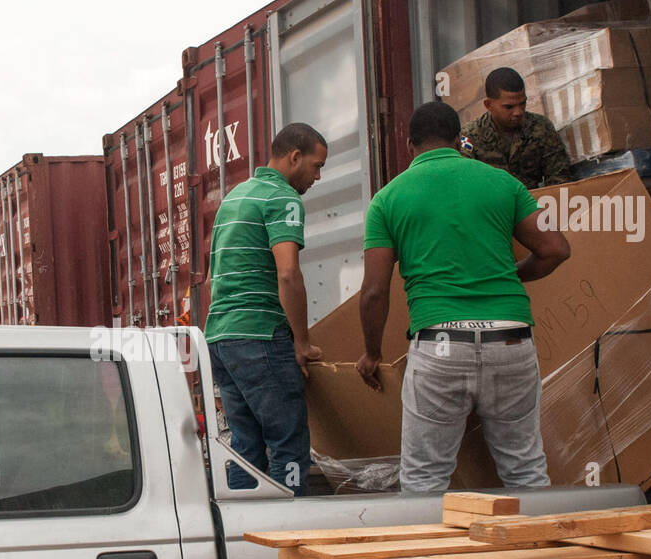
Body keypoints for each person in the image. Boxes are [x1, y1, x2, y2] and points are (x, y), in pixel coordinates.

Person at [355, 100, 571, 493]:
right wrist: (511, 277)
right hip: (510, 338)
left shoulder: (387, 199)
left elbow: (373, 292)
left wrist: (371, 353)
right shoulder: (503, 183)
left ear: (408, 145)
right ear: (459, 140)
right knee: (525, 472)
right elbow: (556, 248)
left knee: (424, 480)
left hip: (439, 345)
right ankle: (540, 554)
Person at [204, 122, 327, 496]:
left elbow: (213, 277)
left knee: (246, 446)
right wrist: (301, 343)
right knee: (288, 439)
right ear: (294, 157)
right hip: (259, 335)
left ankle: (245, 533)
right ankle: (288, 527)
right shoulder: (283, 198)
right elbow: (288, 273)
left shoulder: (234, 197)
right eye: (316, 165)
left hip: (221, 336)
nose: (317, 176)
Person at [460, 67, 572, 189]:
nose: (518, 112)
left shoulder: (540, 127)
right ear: (489, 105)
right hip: (492, 205)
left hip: (534, 203)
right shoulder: (470, 136)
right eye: (509, 107)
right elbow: (465, 184)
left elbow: (560, 176)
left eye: (522, 103)